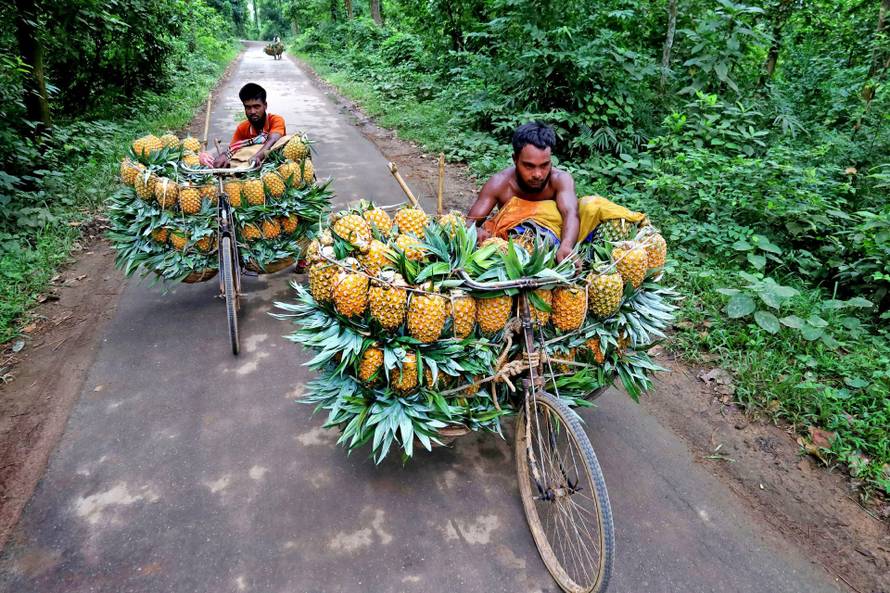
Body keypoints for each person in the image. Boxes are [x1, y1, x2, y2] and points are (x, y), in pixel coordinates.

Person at [466, 121, 646, 263]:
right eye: (529, 166)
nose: (538, 174)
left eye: (544, 165)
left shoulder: (560, 180)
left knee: (592, 206)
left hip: (559, 243)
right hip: (518, 249)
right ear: (515, 160)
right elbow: (470, 222)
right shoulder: (500, 184)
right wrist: (477, 230)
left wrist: (566, 246)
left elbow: (571, 214)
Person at [212, 83, 286, 168]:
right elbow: (233, 149)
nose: (252, 111)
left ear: (265, 106)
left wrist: (257, 156)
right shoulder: (242, 128)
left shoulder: (275, 120)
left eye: (256, 106)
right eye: (248, 107)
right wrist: (224, 155)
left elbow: (273, 139)